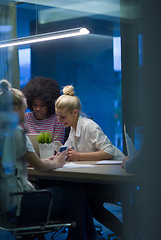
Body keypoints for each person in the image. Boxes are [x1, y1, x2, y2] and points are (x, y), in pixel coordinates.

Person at [0, 79, 97, 240]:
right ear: (16, 109)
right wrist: (56, 162)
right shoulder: (14, 132)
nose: (27, 111)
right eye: (25, 107)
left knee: (68, 194)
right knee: (75, 194)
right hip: (19, 203)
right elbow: (40, 167)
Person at [55, 85, 125, 238]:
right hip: (97, 178)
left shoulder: (89, 126)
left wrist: (79, 156)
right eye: (58, 116)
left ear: (74, 112)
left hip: (115, 178)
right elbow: (66, 148)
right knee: (80, 198)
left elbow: (108, 152)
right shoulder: (73, 128)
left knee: (86, 201)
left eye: (62, 117)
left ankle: (125, 234)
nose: (59, 121)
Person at [22, 76, 66, 143]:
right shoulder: (25, 118)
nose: (38, 109)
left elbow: (57, 146)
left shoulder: (58, 120)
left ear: (49, 104)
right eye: (35, 105)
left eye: (42, 105)